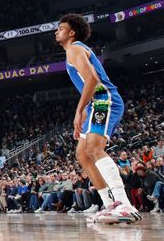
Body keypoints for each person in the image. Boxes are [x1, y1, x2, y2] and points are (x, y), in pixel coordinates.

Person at [55, 13, 140, 224]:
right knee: (82, 154)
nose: (57, 31)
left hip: (105, 100)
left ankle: (124, 204)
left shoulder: (75, 48)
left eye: (61, 28)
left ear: (72, 32)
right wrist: (84, 113)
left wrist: (78, 110)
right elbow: (88, 84)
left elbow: (93, 80)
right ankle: (109, 203)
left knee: (93, 148)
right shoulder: (73, 51)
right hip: (96, 103)